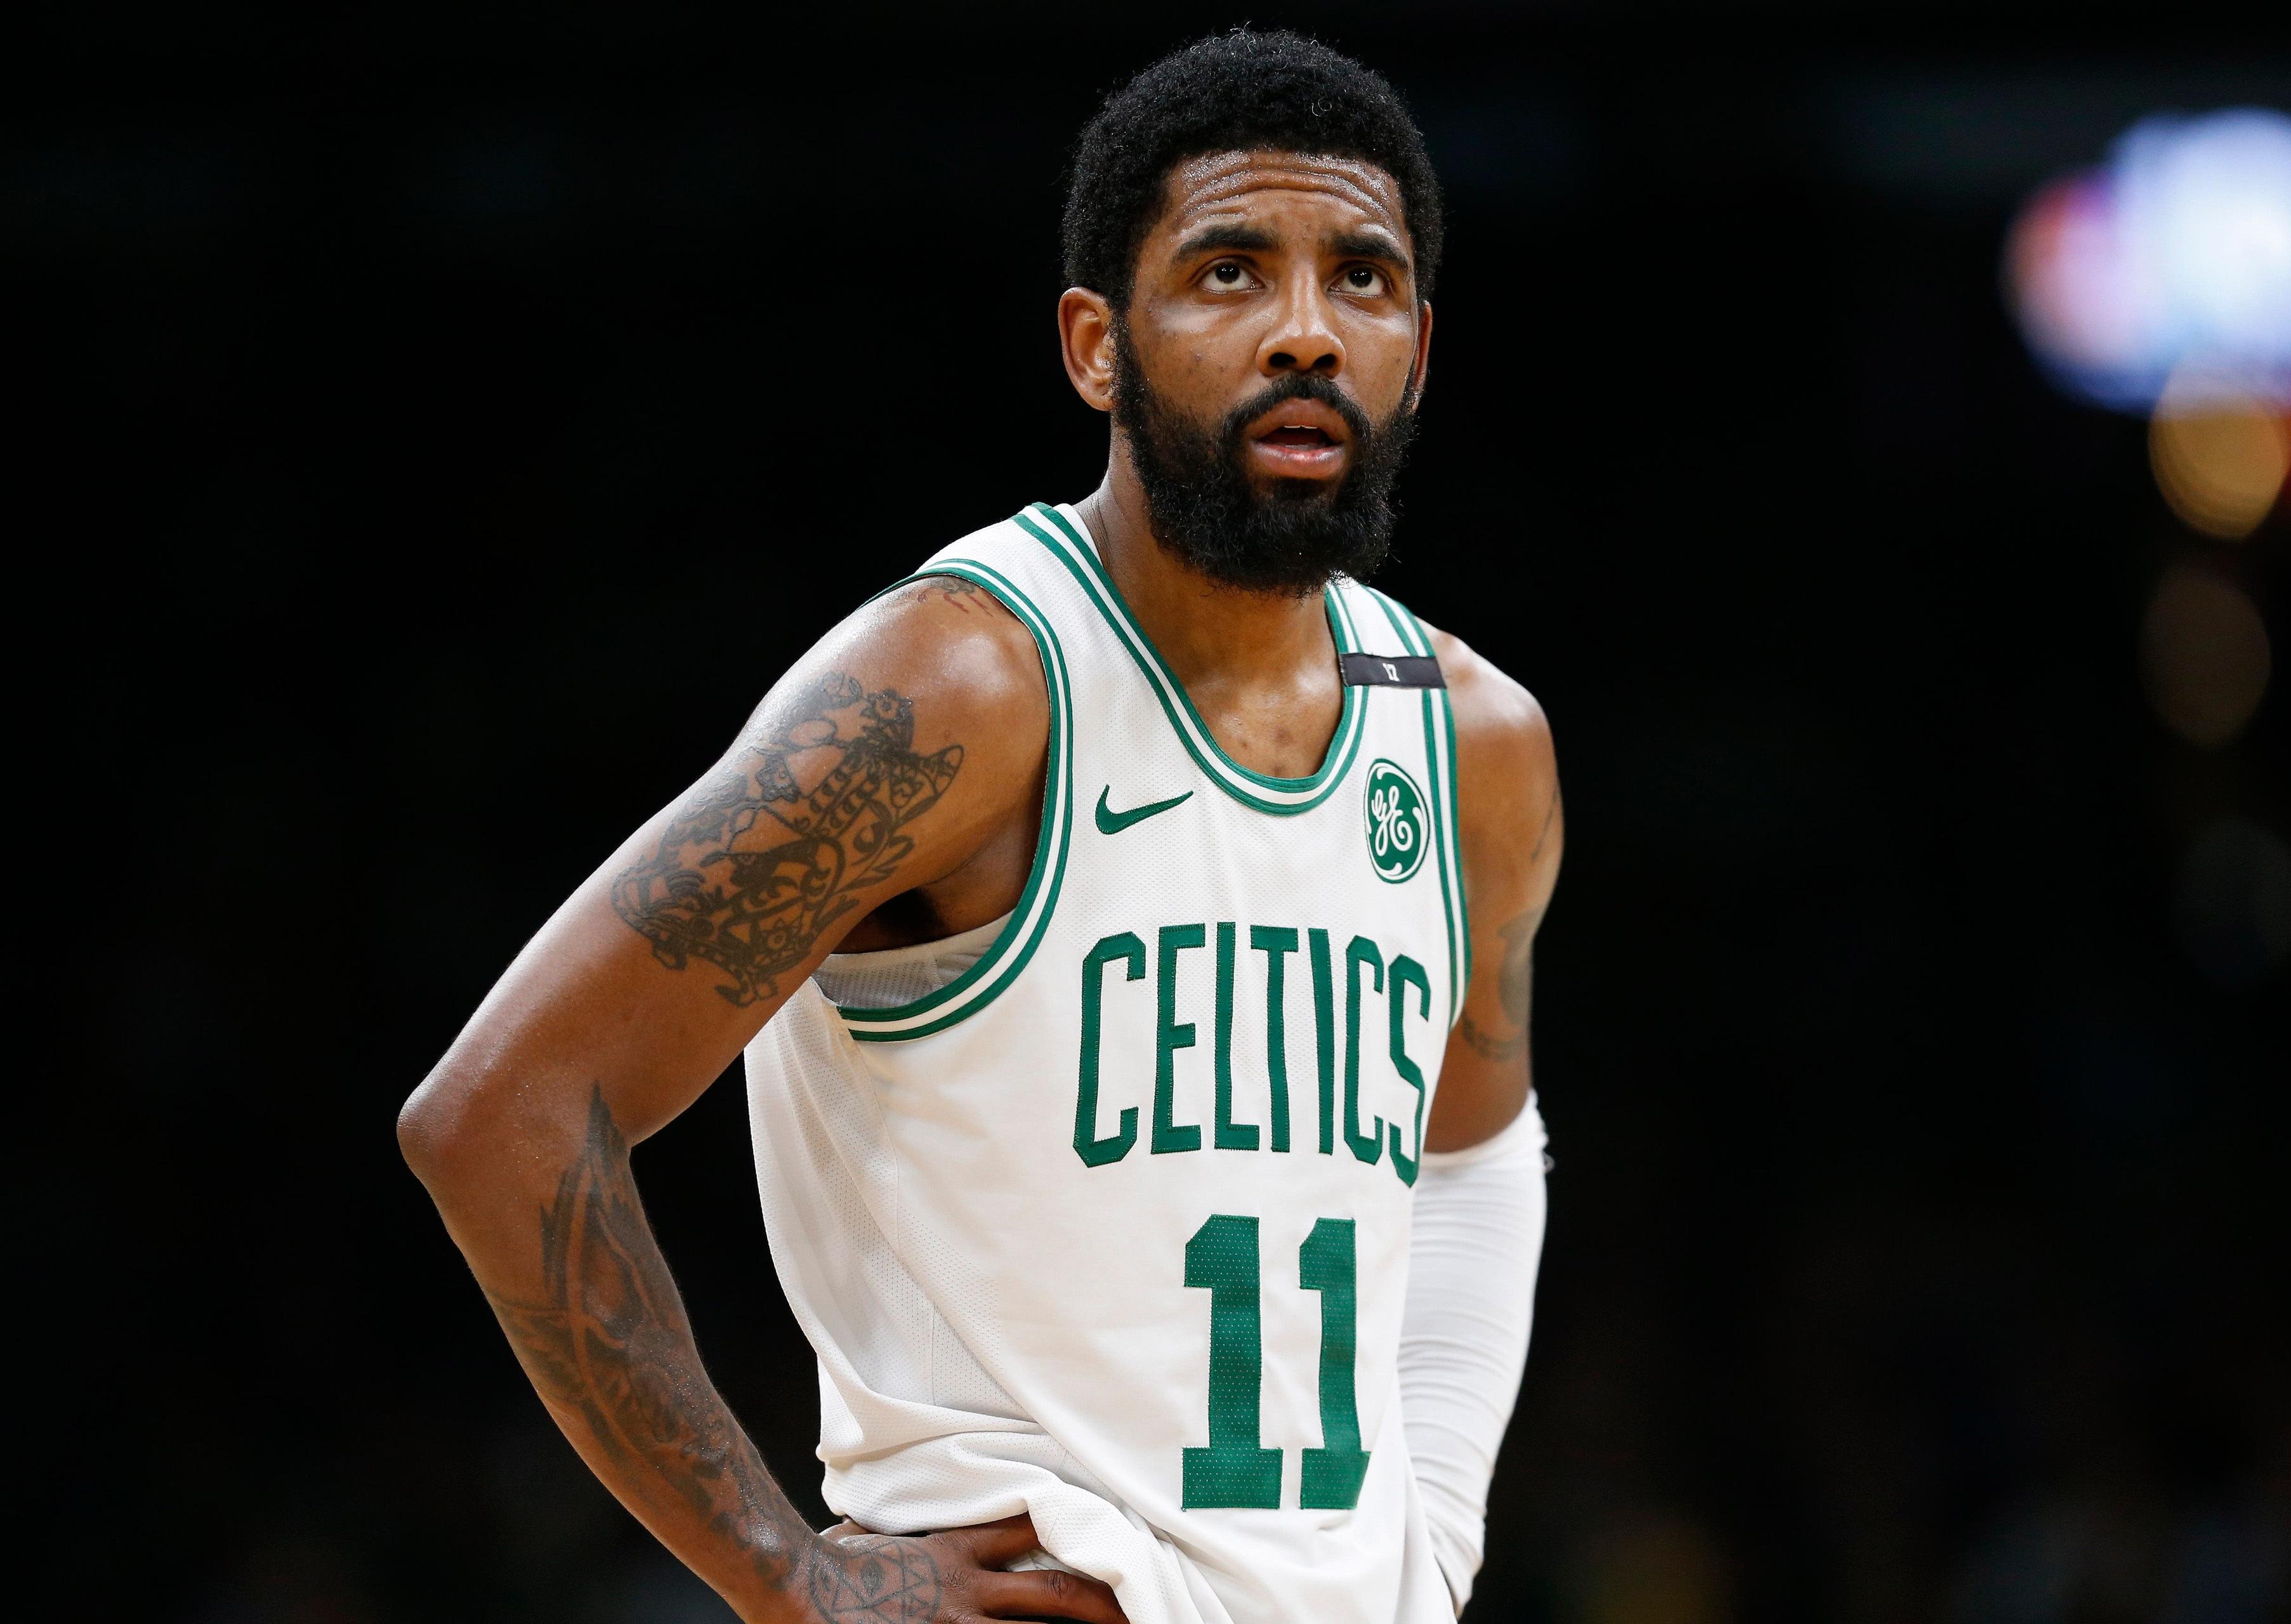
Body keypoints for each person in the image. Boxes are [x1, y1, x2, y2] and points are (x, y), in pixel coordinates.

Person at [400, 29, 1559, 1624]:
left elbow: (1478, 1154)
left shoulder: (1475, 738)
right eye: (1229, 272)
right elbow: (501, 1107)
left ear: (1417, 348)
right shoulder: (963, 686)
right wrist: (783, 1573)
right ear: (1097, 343)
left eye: (1360, 279)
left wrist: (1433, 1528)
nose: (1306, 330)